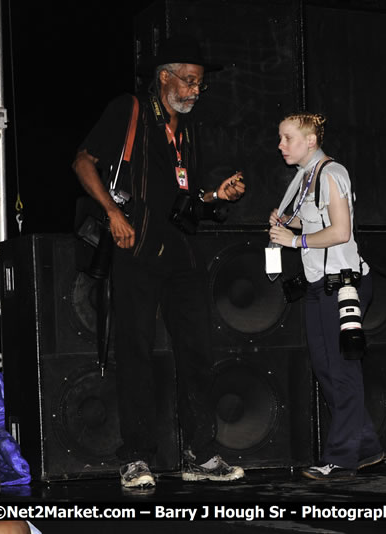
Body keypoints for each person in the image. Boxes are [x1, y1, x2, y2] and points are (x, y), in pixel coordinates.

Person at [72, 36, 246, 488]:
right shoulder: (128, 111)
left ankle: (200, 454)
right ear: (164, 76)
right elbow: (83, 162)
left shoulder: (186, 130)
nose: (193, 91)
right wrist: (112, 213)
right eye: (187, 81)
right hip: (136, 250)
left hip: (182, 253)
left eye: (198, 84)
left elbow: (183, 199)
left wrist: (213, 196)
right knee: (136, 353)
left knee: (197, 354)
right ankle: (136, 458)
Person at [268, 112, 384, 481]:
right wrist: (291, 223)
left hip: (343, 285)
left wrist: (294, 240)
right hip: (321, 285)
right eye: (281, 138)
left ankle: (340, 457)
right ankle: (366, 449)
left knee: (341, 370)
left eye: (287, 138)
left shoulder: (332, 174)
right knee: (327, 369)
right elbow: (318, 221)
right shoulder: (307, 178)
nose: (281, 145)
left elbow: (341, 232)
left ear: (311, 141)